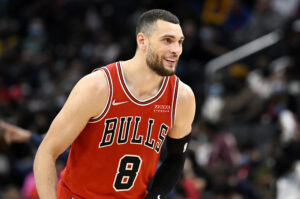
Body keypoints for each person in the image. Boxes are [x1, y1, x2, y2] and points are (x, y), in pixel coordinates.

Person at [33, 9, 196, 199]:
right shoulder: (98, 87)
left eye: (180, 42)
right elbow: (47, 152)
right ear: (142, 41)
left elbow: (176, 159)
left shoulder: (182, 97)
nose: (176, 49)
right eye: (167, 40)